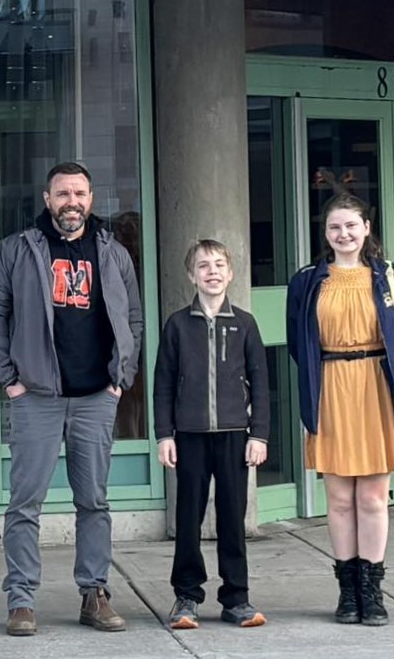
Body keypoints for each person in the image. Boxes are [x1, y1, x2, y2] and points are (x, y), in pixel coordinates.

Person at [0, 161, 143, 638]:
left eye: (80, 193)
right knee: (25, 503)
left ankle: (94, 594)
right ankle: (21, 600)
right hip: (36, 397)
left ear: (92, 199)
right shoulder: (15, 251)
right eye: (63, 194)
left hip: (95, 395)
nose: (72, 202)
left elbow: (133, 316)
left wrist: (120, 377)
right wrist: (8, 379)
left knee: (93, 500)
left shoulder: (113, 253)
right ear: (47, 199)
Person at [285, 192, 394, 627]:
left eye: (351, 225)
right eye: (334, 227)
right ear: (325, 234)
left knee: (371, 497)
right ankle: (347, 593)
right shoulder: (308, 280)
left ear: (367, 228)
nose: (343, 234)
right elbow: (298, 341)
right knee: (340, 499)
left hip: (376, 389)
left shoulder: (391, 277)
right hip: (331, 387)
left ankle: (372, 591)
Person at [154, 239, 270, 630]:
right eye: (203, 266)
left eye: (219, 264)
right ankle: (187, 596)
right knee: (188, 516)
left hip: (236, 434)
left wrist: (260, 435)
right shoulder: (177, 324)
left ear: (231, 272)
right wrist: (163, 434)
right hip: (189, 435)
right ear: (192, 275)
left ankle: (236, 597)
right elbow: (164, 383)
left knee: (232, 518)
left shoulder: (244, 323)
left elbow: (260, 380)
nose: (212, 271)